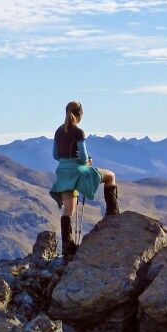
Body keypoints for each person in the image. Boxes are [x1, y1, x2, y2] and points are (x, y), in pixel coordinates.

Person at [49, 101, 119, 258]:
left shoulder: (58, 132)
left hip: (63, 172)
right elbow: (83, 158)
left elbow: (55, 155)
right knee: (110, 176)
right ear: (80, 114)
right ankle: (112, 213)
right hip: (77, 171)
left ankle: (67, 246)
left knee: (68, 210)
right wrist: (88, 162)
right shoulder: (79, 132)